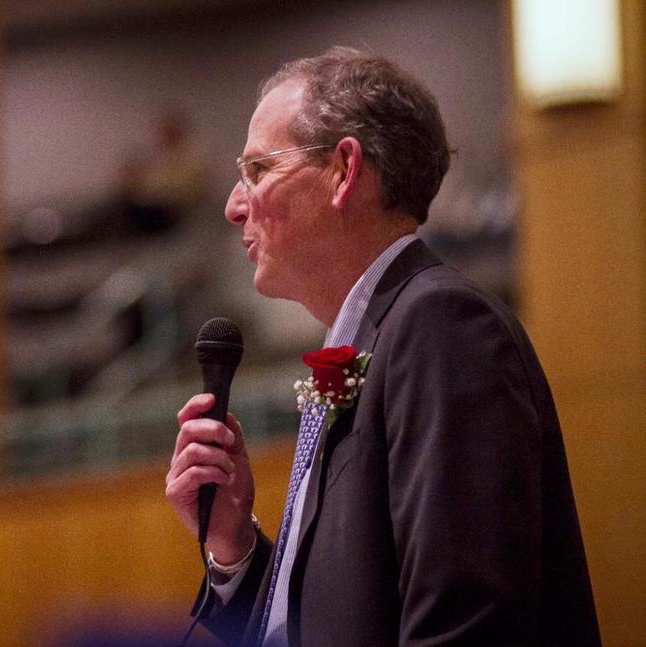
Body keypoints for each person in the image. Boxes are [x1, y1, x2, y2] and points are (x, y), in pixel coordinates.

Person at [165, 47, 599, 646]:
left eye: (258, 170)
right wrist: (233, 544)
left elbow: (466, 625)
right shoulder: (381, 335)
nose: (234, 206)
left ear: (343, 170)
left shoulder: (442, 327)